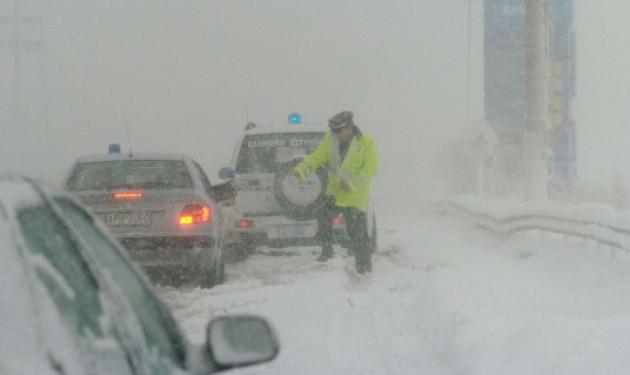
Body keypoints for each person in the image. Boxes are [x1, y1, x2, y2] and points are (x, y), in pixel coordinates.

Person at [291, 111, 378, 274]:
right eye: (334, 131)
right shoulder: (330, 140)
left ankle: (364, 269)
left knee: (358, 234)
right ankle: (327, 251)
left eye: (339, 131)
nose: (337, 135)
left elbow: (370, 169)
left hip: (354, 197)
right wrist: (301, 170)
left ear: (349, 127)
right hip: (335, 194)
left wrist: (351, 184)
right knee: (322, 213)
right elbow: (316, 157)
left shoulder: (365, 143)